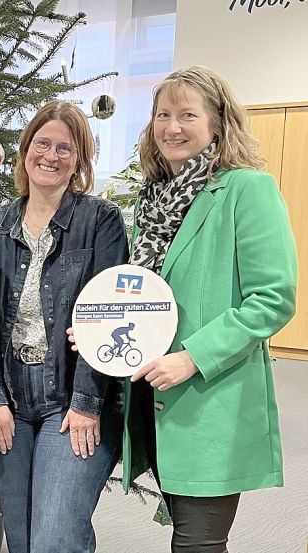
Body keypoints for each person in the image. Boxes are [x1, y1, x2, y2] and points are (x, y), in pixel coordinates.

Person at [120, 65, 296, 552]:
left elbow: (272, 298)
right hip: (155, 396)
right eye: (162, 115)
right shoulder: (153, 197)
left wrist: (192, 356)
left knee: (197, 541)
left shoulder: (246, 189)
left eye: (187, 115)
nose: (172, 127)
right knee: (186, 530)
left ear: (218, 123)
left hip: (210, 394)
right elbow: (145, 290)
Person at [0, 100, 128, 553]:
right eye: (42, 143)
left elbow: (108, 317)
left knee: (55, 538)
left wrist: (86, 403)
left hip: (72, 398)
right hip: (9, 400)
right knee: (20, 540)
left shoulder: (100, 221)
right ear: (25, 150)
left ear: (79, 159)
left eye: (66, 148)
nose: (51, 155)